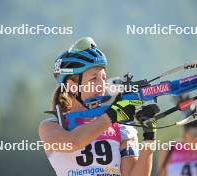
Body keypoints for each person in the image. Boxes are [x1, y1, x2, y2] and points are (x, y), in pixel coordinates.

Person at [39, 37, 158, 176]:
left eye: (103, 77)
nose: (102, 85)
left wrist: (149, 138)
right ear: (72, 85)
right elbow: (72, 143)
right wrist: (112, 115)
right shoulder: (52, 126)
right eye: (93, 78)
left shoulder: (121, 127)